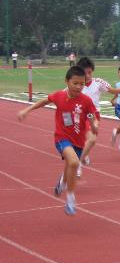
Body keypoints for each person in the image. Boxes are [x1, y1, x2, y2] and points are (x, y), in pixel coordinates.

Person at [17, 66, 98, 215]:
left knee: (70, 166)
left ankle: (63, 182)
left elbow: (92, 114)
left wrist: (94, 125)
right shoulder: (59, 96)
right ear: (67, 81)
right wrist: (26, 110)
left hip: (78, 140)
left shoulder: (86, 100)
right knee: (74, 162)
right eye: (75, 83)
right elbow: (43, 102)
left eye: (82, 83)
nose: (79, 87)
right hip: (62, 137)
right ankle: (71, 199)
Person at [76, 57, 120, 177]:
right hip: (79, 115)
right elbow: (64, 95)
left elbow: (112, 90)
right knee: (82, 141)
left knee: (92, 140)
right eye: (85, 72)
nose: (88, 75)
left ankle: (78, 163)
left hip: (93, 115)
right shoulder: (76, 83)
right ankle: (83, 157)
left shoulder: (98, 82)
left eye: (90, 72)